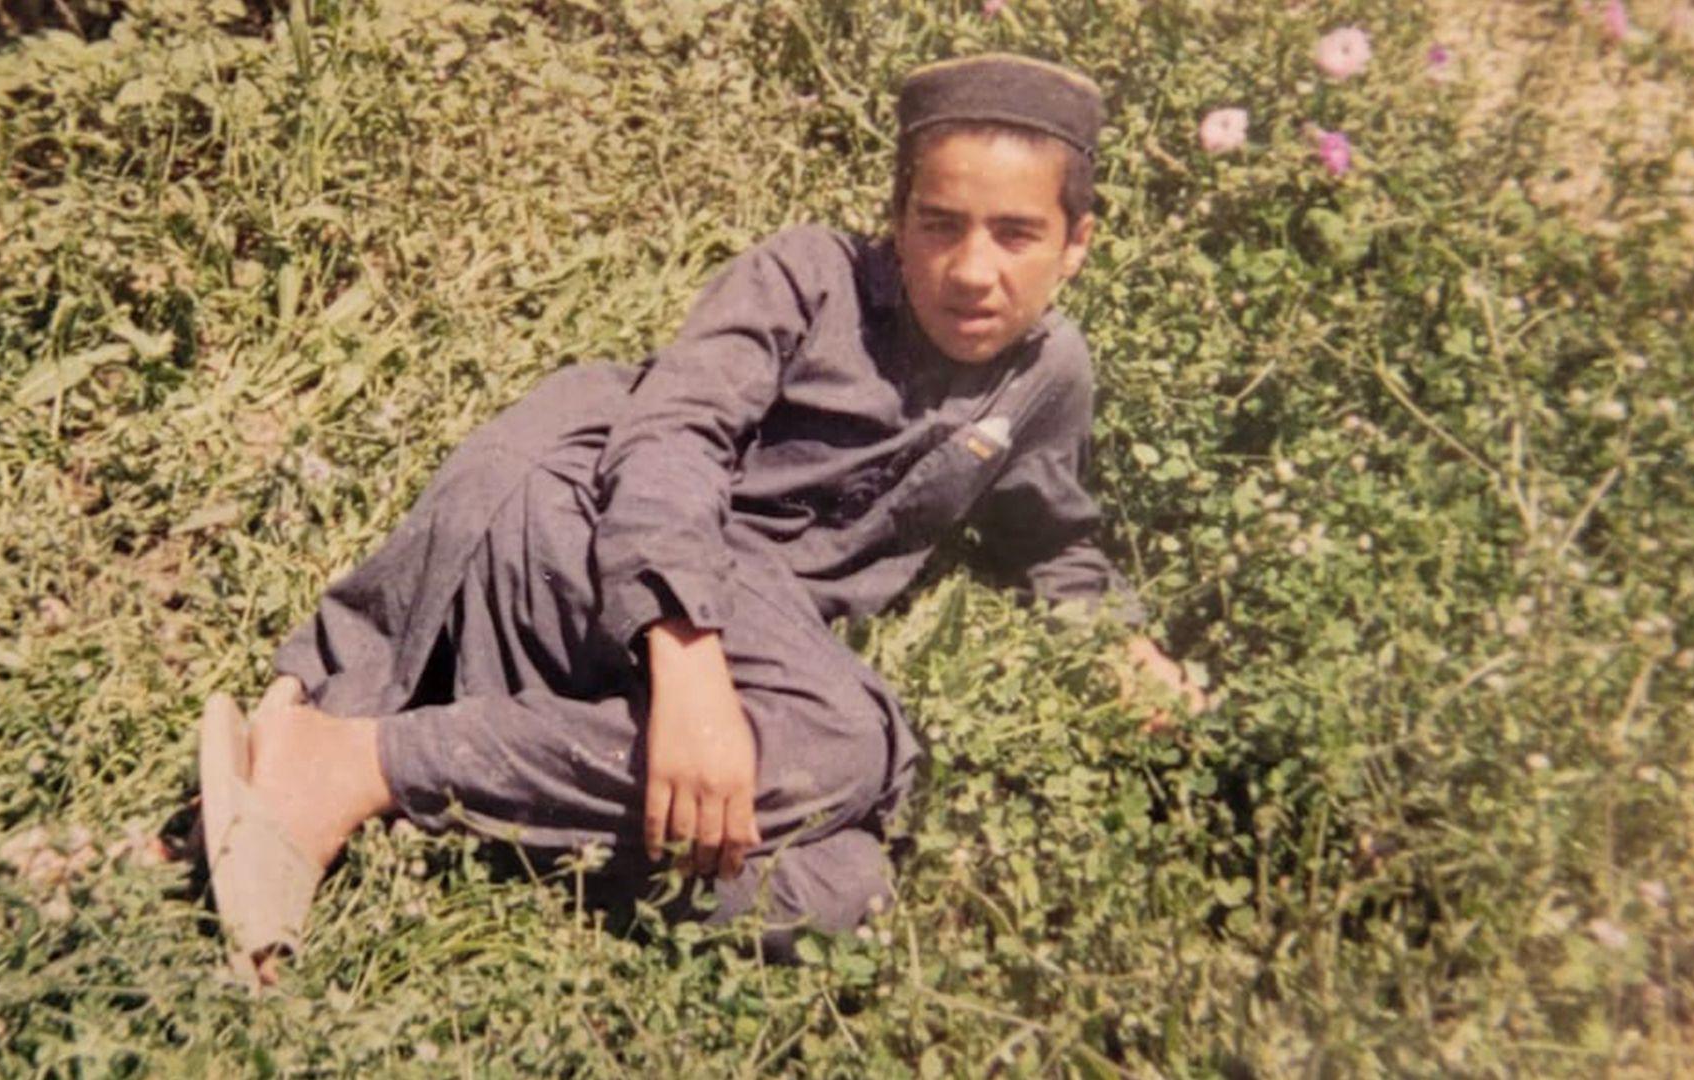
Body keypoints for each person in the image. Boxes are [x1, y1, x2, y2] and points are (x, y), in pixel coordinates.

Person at [196, 53, 1205, 987]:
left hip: (748, 649)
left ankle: (445, 788)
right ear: (897, 222)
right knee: (846, 742)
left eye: (1017, 234)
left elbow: (1050, 538)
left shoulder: (1047, 375)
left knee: (842, 895)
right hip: (586, 537)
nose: (974, 270)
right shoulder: (809, 277)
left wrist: (1118, 637)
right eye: (939, 224)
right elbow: (669, 441)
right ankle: (366, 765)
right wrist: (686, 654)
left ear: (1077, 244)